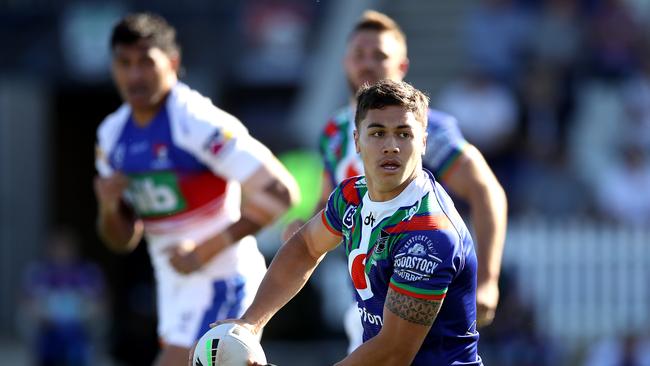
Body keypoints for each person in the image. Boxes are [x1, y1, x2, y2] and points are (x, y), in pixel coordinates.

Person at [285, 10, 507, 350]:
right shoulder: (334, 131)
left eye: (380, 56)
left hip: (426, 298)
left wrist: (489, 280)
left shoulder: (422, 128)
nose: (367, 64)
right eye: (359, 55)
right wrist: (302, 233)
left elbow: (485, 190)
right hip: (364, 304)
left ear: (402, 66)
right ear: (345, 62)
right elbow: (332, 205)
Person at [221, 79, 483, 365]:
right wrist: (250, 324)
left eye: (404, 134)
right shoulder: (351, 196)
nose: (391, 146)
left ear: (423, 142)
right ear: (357, 140)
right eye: (378, 133)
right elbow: (306, 247)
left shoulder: (429, 235)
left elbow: (394, 353)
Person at [93, 13, 299, 366]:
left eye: (146, 62)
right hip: (177, 289)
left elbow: (281, 192)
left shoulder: (197, 120)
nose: (135, 75)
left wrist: (204, 251)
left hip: (224, 278)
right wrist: (109, 207)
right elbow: (121, 239)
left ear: (172, 63)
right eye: (125, 64)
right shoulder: (111, 136)